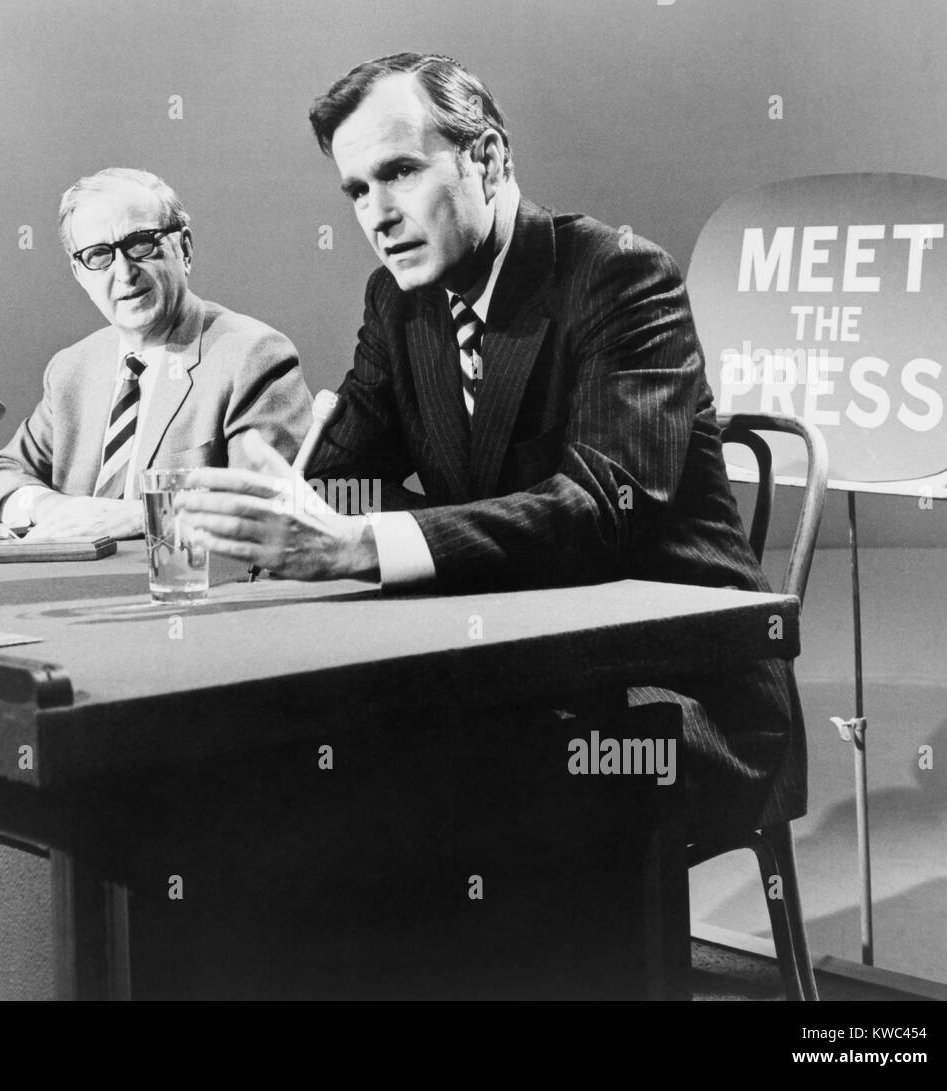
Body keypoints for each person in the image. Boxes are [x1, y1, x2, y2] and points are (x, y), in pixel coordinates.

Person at [177, 53, 799, 835]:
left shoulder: (619, 275)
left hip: (675, 702)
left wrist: (361, 542)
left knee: (475, 781)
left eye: (399, 172)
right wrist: (297, 511)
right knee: (295, 760)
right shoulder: (401, 304)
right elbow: (342, 478)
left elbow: (604, 508)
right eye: (357, 191)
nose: (376, 214)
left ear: (489, 159)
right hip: (507, 671)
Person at [0, 167, 313, 539]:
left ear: (184, 248)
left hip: (187, 586)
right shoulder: (73, 369)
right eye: (99, 255)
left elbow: (266, 507)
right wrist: (51, 507)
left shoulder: (252, 356)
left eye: (140, 244)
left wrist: (140, 517)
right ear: (79, 274)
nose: (124, 271)